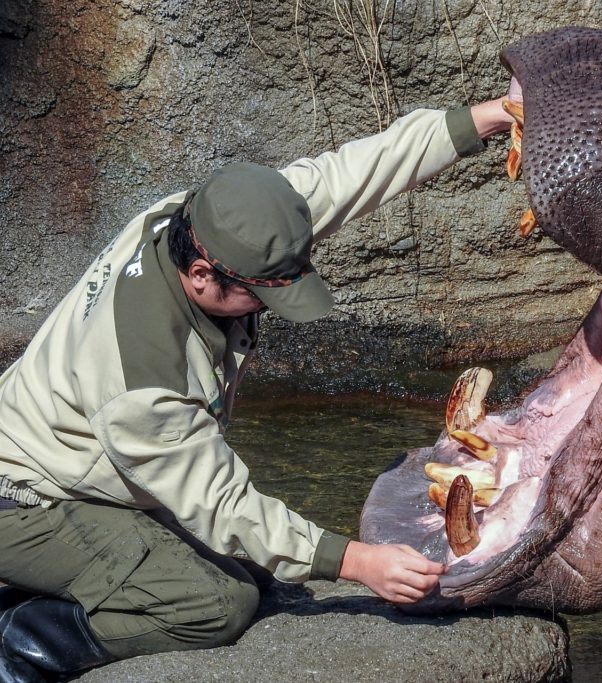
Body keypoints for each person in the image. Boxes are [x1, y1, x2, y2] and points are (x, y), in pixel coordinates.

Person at [0, 97, 515, 680]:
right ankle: (19, 645)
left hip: (85, 468)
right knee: (217, 604)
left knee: (260, 571)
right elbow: (222, 505)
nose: (273, 307)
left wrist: (492, 115)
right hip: (23, 499)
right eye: (263, 295)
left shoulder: (203, 220)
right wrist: (358, 561)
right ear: (202, 276)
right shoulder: (143, 382)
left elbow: (348, 175)